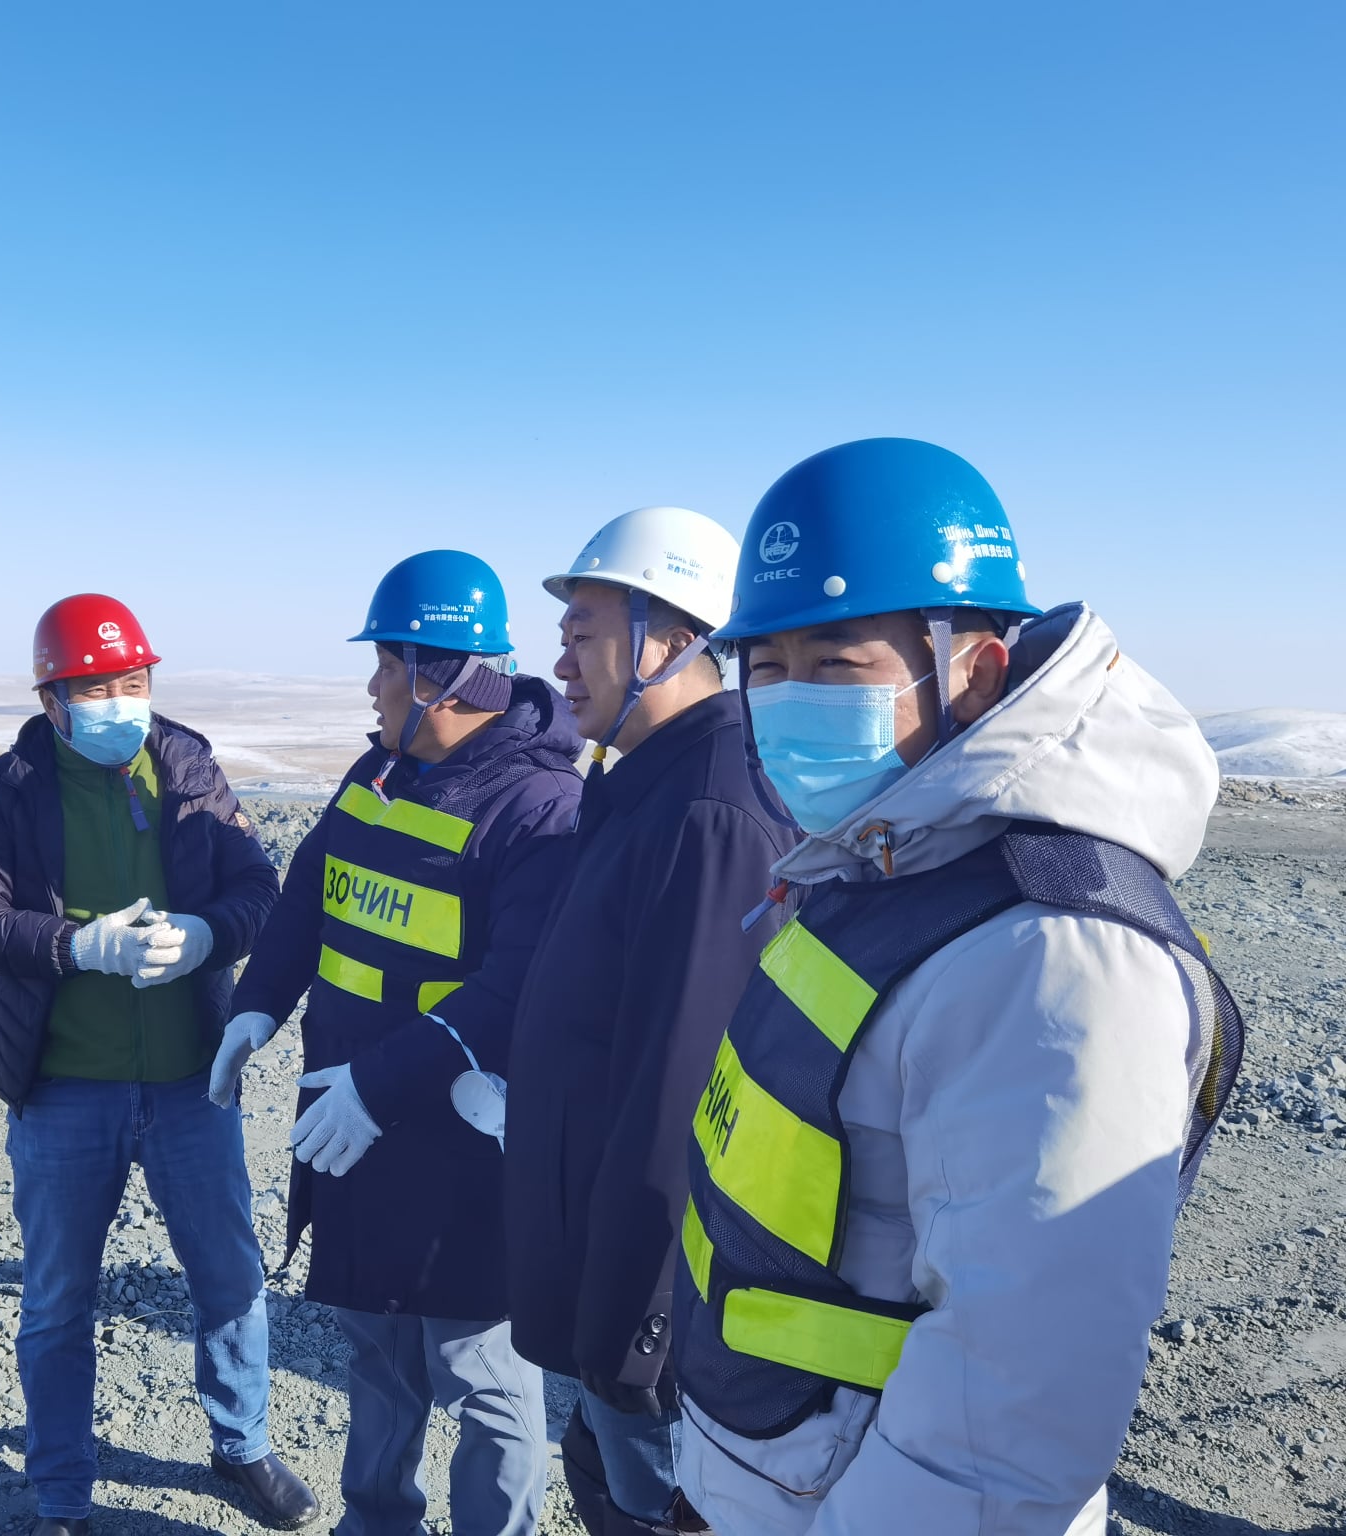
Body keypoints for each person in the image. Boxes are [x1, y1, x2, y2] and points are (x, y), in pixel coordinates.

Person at [668, 438, 1245, 1534]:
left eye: (835, 664)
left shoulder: (1055, 952)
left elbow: (1005, 1425)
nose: (786, 701)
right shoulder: (880, 858)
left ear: (971, 672)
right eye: (765, 666)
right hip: (769, 1474)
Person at [211, 551, 584, 1536]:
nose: (370, 687)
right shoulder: (377, 769)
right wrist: (258, 1004)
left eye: (384, 666)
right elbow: (308, 894)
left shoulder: (538, 808)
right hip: (353, 1133)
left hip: (458, 1148)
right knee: (375, 1351)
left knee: (481, 1374)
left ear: (439, 678)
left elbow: (515, 985)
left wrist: (381, 1085)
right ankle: (375, 1523)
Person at [0, 593, 319, 1536]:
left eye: (134, 682)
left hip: (192, 1083)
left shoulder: (187, 767)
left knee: (229, 1276)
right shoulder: (9, 787)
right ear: (52, 700)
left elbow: (257, 888)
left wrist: (206, 936)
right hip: (65, 1090)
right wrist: (77, 946)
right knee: (59, 1299)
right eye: (97, 687)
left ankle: (242, 1444)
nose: (121, 703)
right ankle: (64, 1493)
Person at [503, 507, 794, 1536]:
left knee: (651, 1507)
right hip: (607, 1281)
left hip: (647, 1316)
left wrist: (637, 1328)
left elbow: (684, 1095)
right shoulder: (647, 788)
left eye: (583, 635)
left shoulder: (706, 815)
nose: (559, 664)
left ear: (668, 642)